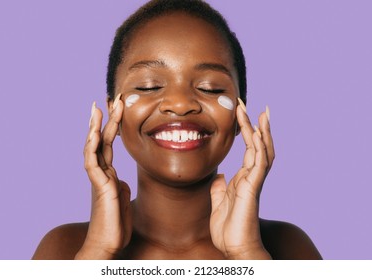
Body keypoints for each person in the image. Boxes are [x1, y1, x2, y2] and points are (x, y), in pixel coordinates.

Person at [32, 0, 322, 260]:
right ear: (113, 113)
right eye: (149, 86)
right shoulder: (64, 248)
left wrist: (247, 254)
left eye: (211, 88)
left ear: (239, 113)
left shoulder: (289, 247)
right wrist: (98, 251)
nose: (180, 104)